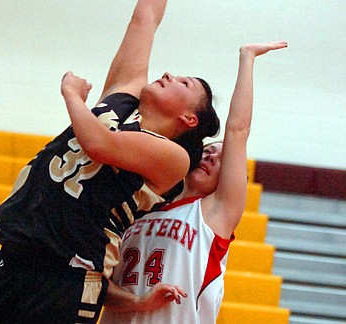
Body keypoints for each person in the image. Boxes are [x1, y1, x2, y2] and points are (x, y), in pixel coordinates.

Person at [0, 0, 220, 324]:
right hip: (13, 259)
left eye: (183, 82)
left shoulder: (172, 158)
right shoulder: (124, 93)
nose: (169, 73)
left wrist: (71, 96)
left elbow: (101, 144)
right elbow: (145, 20)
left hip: (67, 279)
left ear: (189, 118)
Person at [101, 41, 287, 324]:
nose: (212, 157)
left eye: (221, 161)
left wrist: (246, 58)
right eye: (209, 151)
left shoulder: (214, 215)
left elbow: (237, 131)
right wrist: (138, 302)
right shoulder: (137, 206)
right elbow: (101, 288)